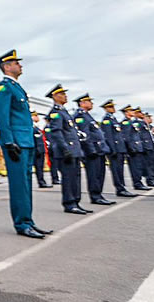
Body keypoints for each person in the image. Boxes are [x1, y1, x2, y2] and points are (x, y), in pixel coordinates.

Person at [0, 50, 52, 239]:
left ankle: (28, 221)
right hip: (16, 143)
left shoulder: (17, 88)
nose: (20, 65)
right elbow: (2, 116)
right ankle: (22, 223)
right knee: (19, 185)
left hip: (26, 142)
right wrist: (8, 141)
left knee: (26, 184)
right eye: (16, 63)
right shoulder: (4, 87)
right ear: (7, 67)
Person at [45, 84, 91, 214]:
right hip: (66, 151)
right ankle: (69, 203)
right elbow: (57, 132)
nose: (65, 96)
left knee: (76, 177)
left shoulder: (64, 112)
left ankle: (76, 201)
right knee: (69, 178)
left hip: (74, 150)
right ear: (55, 96)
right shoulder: (55, 113)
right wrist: (65, 148)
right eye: (62, 94)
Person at [73, 94, 115, 206]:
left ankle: (98, 194)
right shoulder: (80, 116)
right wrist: (91, 150)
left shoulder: (87, 116)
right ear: (82, 103)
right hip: (92, 151)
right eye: (89, 101)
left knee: (100, 174)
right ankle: (95, 196)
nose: (91, 103)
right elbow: (84, 135)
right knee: (94, 174)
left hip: (99, 149)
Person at [99, 100, 135, 197]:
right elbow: (108, 136)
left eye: (113, 106)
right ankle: (119, 188)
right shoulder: (106, 120)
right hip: (115, 149)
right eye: (110, 107)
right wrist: (112, 149)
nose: (113, 108)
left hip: (120, 148)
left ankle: (122, 187)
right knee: (116, 170)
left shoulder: (113, 119)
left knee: (120, 169)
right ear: (106, 109)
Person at [120, 105, 148, 190]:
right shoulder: (126, 122)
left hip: (137, 147)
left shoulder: (131, 122)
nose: (133, 112)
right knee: (135, 168)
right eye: (131, 111)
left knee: (139, 167)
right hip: (133, 149)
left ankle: (139, 182)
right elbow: (127, 137)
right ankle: (137, 183)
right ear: (126, 112)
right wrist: (131, 148)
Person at [134, 107, 154, 186]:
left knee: (152, 164)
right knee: (148, 165)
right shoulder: (136, 123)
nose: (142, 114)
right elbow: (138, 135)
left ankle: (153, 178)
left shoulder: (145, 124)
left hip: (150, 145)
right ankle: (150, 180)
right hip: (145, 146)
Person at [31, 112, 52, 188]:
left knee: (40, 167)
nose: (37, 117)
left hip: (40, 150)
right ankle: (41, 182)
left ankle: (42, 181)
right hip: (36, 151)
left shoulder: (37, 127)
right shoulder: (31, 128)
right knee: (38, 167)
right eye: (35, 116)